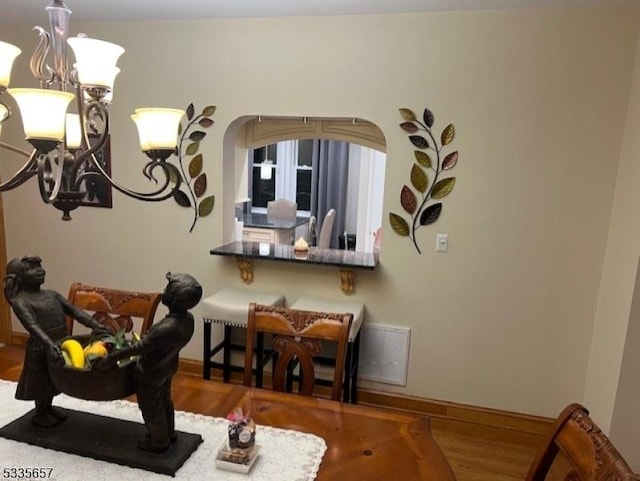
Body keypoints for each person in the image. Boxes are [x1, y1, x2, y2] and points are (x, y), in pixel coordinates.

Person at [96, 272, 202, 453]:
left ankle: (159, 441)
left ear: (174, 299)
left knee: (151, 406)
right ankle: (168, 433)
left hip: (151, 371)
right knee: (164, 401)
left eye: (168, 288)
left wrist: (111, 359)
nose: (163, 290)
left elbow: (139, 347)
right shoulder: (188, 320)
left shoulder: (166, 328)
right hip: (168, 366)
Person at [3, 255, 109, 427]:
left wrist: (95, 325)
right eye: (32, 269)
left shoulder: (52, 295)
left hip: (61, 342)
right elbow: (32, 326)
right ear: (19, 277)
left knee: (54, 379)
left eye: (39, 267)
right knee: (41, 380)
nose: (39, 271)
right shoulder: (21, 301)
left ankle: (48, 409)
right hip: (42, 346)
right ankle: (41, 412)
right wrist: (48, 344)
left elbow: (74, 311)